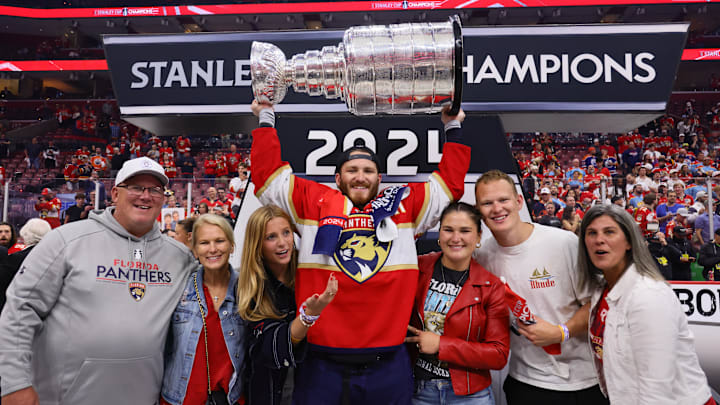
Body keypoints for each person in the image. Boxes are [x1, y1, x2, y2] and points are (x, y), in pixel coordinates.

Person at [250, 100, 470, 404]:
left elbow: (449, 185)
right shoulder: (312, 202)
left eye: (368, 170)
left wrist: (453, 126)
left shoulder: (404, 206)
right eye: (351, 170)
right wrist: (265, 116)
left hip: (387, 364)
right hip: (322, 364)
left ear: (380, 179)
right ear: (337, 178)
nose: (360, 176)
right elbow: (268, 177)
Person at [0, 157, 197, 405]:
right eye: (136, 187)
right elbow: (20, 309)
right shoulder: (65, 240)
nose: (145, 196)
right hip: (62, 397)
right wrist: (13, 383)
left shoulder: (179, 257)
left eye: (155, 190)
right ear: (115, 193)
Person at [473, 170, 605, 405]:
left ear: (518, 201)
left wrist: (560, 332)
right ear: (479, 210)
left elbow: (597, 302)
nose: (497, 208)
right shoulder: (481, 256)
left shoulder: (563, 243)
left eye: (503, 200)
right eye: (487, 203)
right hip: (525, 382)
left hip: (583, 382)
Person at [578, 204, 714, 404]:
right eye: (592, 233)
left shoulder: (648, 296)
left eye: (609, 232)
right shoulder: (602, 289)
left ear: (629, 242)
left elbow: (658, 389)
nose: (599, 240)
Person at [407, 202, 509, 404]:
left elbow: (498, 354)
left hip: (470, 395)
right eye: (448, 230)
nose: (455, 238)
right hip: (419, 390)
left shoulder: (491, 286)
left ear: (478, 237)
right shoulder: (417, 268)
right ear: (439, 234)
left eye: (465, 231)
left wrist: (441, 345)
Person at [238, 205, 338, 405]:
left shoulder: (313, 271)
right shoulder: (249, 287)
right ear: (257, 244)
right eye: (271, 237)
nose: (283, 243)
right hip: (267, 393)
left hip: (319, 387)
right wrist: (309, 316)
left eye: (286, 233)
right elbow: (271, 349)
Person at [161, 214, 246, 405]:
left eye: (220, 241)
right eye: (204, 243)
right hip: (180, 399)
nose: (213, 249)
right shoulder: (179, 288)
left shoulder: (248, 290)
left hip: (230, 399)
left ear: (232, 245)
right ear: (195, 249)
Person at [0, 219, 51, 311]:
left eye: (7, 231)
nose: (3, 235)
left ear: (24, 235)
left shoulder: (15, 258)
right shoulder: (56, 255)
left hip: (19, 308)